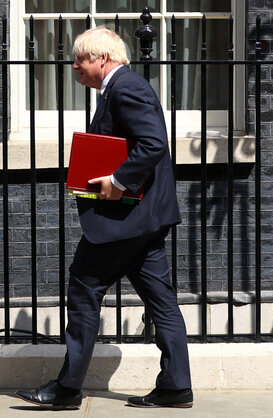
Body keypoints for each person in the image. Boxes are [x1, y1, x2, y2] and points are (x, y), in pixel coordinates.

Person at [15, 26, 192, 409]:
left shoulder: (126, 87)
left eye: (80, 58)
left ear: (103, 59)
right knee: (160, 299)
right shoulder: (116, 89)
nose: (74, 65)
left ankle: (66, 389)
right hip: (144, 218)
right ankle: (176, 385)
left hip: (127, 219)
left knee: (83, 288)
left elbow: (154, 143)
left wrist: (117, 181)